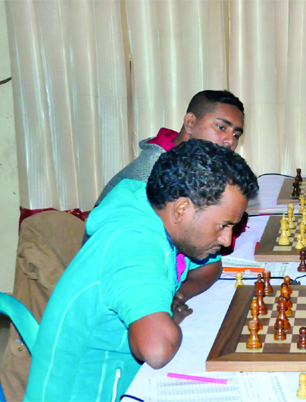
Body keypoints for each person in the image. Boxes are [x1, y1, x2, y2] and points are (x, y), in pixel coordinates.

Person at [25, 140, 259, 401]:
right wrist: (168, 317)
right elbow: (157, 349)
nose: (227, 240)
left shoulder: (152, 209)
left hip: (123, 380)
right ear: (182, 208)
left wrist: (176, 298)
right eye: (223, 225)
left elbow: (211, 265)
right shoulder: (134, 243)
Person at [95, 89, 246, 321]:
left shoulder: (190, 166)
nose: (229, 141)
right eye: (221, 127)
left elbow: (210, 265)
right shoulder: (152, 177)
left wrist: (180, 294)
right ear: (190, 122)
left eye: (236, 134)